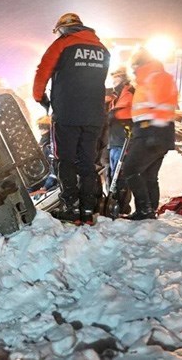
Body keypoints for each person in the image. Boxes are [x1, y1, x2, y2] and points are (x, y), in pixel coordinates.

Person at [32, 13, 110, 224]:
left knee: (64, 160)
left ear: (62, 29)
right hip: (94, 115)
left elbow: (42, 71)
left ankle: (71, 208)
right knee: (87, 162)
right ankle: (87, 210)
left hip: (67, 114)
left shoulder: (62, 44)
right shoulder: (102, 49)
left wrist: (40, 97)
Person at [122, 48, 179, 220]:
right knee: (149, 175)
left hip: (151, 132)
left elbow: (162, 105)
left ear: (139, 64)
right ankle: (150, 210)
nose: (132, 71)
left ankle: (144, 210)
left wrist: (155, 131)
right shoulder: (154, 76)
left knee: (130, 169)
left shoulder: (154, 77)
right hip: (155, 132)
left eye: (133, 66)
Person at [107, 67, 134, 179]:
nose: (114, 84)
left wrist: (110, 115)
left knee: (119, 175)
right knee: (113, 173)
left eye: (116, 81)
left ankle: (121, 194)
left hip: (123, 141)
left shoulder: (129, 93)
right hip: (114, 141)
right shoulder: (115, 99)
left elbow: (121, 112)